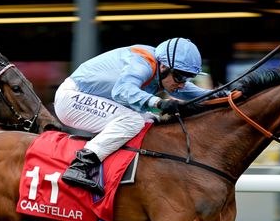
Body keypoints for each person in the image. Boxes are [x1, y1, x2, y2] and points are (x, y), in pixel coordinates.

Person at [55, 37, 213, 195]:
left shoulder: (163, 71)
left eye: (187, 78)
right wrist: (158, 103)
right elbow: (122, 91)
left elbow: (194, 93)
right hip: (71, 98)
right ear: (164, 66)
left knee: (152, 120)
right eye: (180, 77)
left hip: (92, 99)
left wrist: (228, 94)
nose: (182, 84)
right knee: (133, 121)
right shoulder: (143, 62)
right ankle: (79, 166)